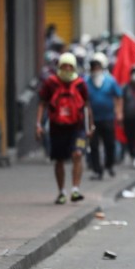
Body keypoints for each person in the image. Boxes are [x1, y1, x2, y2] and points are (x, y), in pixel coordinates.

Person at [36, 52, 94, 204]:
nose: (67, 69)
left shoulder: (81, 84)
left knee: (77, 154)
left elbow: (87, 106)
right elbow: (42, 103)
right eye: (64, 66)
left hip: (78, 127)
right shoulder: (51, 83)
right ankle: (61, 192)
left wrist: (90, 126)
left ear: (74, 67)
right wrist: (38, 125)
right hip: (57, 127)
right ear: (59, 66)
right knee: (59, 160)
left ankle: (75, 189)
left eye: (70, 66)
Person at [86, 52, 123, 180]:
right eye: (93, 67)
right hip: (92, 120)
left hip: (107, 118)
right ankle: (97, 170)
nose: (95, 70)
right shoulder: (86, 82)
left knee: (110, 144)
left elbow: (118, 97)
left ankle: (109, 165)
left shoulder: (110, 81)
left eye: (97, 67)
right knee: (94, 145)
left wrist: (118, 113)